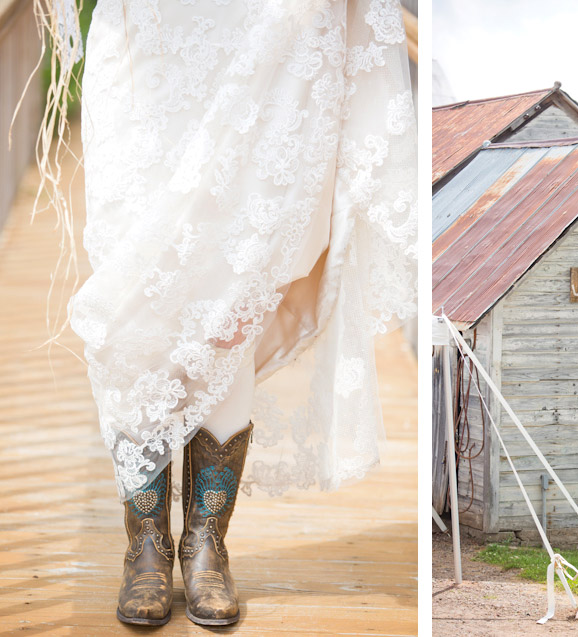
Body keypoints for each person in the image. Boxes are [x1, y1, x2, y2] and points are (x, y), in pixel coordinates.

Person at [23, 0, 417, 626]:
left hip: (269, 29)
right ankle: (145, 545)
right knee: (143, 287)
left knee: (237, 281)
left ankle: (205, 542)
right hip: (155, 37)